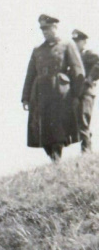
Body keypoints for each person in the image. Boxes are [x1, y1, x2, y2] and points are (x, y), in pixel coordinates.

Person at [22, 15, 85, 162]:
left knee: (58, 128)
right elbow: (30, 75)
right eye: (43, 29)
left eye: (48, 28)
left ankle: (56, 159)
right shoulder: (37, 50)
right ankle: (54, 158)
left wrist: (76, 95)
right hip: (40, 95)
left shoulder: (67, 45)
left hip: (60, 93)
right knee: (42, 130)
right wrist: (25, 97)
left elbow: (78, 71)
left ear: (56, 27)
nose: (45, 31)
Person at [72, 29, 99, 153]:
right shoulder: (74, 57)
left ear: (84, 42)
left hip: (87, 92)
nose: (76, 43)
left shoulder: (88, 54)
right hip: (77, 94)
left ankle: (86, 151)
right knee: (80, 121)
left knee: (83, 120)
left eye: (78, 41)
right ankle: (86, 149)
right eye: (75, 41)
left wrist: (91, 77)